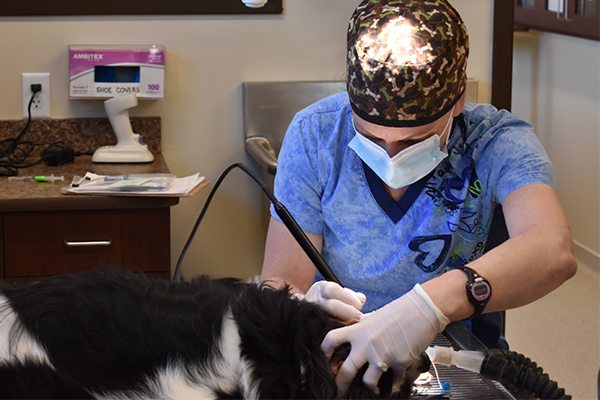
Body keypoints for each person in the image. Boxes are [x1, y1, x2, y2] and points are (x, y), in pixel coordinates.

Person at [260, 0, 577, 395]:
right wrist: (299, 306)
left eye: (413, 141)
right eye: (372, 138)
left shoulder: (496, 141)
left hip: (454, 359)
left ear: (458, 101)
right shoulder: (316, 135)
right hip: (338, 351)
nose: (390, 156)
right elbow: (281, 282)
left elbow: (553, 249)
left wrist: (426, 308)